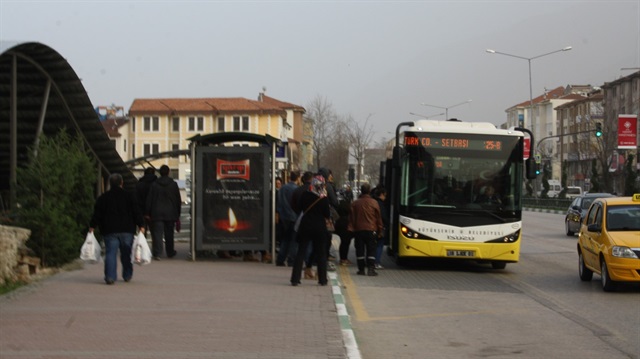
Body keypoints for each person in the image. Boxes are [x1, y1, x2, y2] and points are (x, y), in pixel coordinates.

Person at [89, 173, 145, 285]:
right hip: (127, 230)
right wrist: (141, 225)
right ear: (121, 183)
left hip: (110, 230)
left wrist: (92, 226)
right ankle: (127, 275)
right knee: (127, 253)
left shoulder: (103, 198)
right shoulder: (129, 196)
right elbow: (136, 212)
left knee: (110, 253)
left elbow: (97, 214)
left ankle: (110, 277)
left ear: (110, 183)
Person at [290, 175, 331, 286]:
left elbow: (299, 208)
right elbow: (327, 213)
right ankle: (322, 280)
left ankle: (295, 279)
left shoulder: (305, 195)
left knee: (301, 252)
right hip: (319, 227)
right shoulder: (323, 197)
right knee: (321, 253)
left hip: (306, 225)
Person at [347, 183, 384, 276]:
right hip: (371, 230)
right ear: (369, 191)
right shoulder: (374, 203)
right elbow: (378, 218)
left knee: (360, 250)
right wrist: (380, 230)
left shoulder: (355, 203)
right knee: (371, 249)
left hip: (359, 230)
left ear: (361, 191)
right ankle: (371, 269)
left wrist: (351, 229)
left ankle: (361, 269)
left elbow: (351, 218)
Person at [145, 165, 181, 260]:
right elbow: (178, 199)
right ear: (168, 172)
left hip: (157, 212)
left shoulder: (154, 184)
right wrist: (178, 213)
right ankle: (170, 251)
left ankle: (158, 253)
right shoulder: (173, 184)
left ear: (159, 173)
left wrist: (147, 212)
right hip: (170, 212)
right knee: (169, 234)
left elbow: (150, 199)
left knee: (158, 234)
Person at [291, 171, 317, 279]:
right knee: (311, 245)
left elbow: (293, 204)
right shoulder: (315, 192)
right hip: (313, 221)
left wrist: (299, 213)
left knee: (300, 244)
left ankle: (296, 273)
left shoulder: (297, 190)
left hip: (300, 218)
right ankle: (308, 266)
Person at [276, 171, 300, 266]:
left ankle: (280, 259)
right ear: (297, 178)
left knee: (285, 238)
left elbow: (279, 203)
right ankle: (291, 260)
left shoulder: (282, 188)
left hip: (283, 217)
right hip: (294, 217)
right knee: (294, 240)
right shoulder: (296, 189)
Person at [372, 186, 389, 270]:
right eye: (385, 195)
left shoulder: (373, 202)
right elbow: (383, 217)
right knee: (379, 245)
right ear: (381, 194)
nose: (385, 197)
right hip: (380, 227)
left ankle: (373, 262)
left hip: (373, 226)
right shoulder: (381, 204)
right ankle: (376, 262)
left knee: (374, 245)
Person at [135, 167, 157, 233]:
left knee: (142, 232)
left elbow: (135, 199)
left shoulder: (139, 184)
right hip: (154, 212)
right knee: (155, 234)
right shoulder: (157, 184)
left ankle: (142, 242)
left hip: (141, 212)